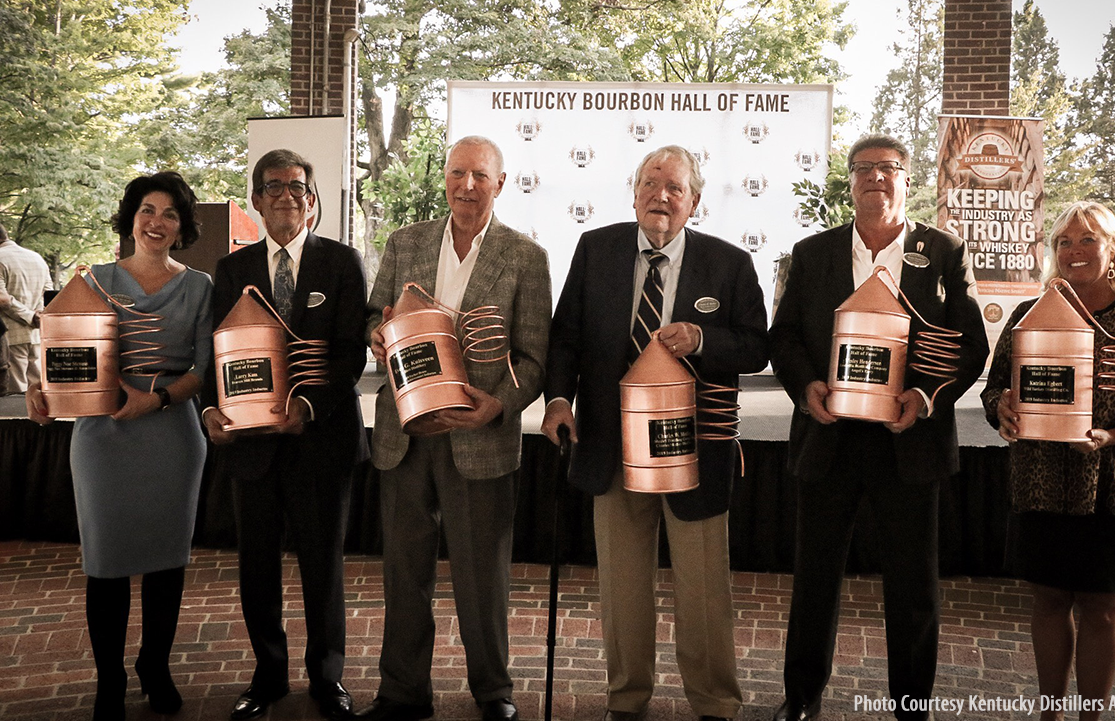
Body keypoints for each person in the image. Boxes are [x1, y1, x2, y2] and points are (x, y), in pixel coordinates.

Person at [541, 145, 769, 721]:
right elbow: (565, 335)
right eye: (650, 183)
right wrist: (559, 400)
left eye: (674, 187)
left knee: (702, 589)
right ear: (633, 190)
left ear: (695, 200)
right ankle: (627, 697)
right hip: (609, 446)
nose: (660, 195)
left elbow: (757, 346)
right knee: (621, 589)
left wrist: (703, 340)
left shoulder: (730, 263)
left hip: (692, 452)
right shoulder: (596, 250)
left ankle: (715, 702)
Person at [769, 134, 989, 721]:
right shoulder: (812, 253)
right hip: (827, 438)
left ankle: (911, 706)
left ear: (906, 181)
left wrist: (924, 395)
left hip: (909, 443)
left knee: (914, 588)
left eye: (888, 169)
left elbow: (972, 344)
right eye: (863, 169)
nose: (876, 178)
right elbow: (783, 336)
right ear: (850, 180)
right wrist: (806, 385)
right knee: (814, 578)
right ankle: (802, 698)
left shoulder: (943, 252)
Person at [356, 136, 551, 721]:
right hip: (405, 435)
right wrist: (377, 331)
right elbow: (374, 314)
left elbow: (536, 357)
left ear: (501, 182)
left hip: (480, 438)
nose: (467, 186)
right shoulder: (404, 242)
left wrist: (499, 405)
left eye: (479, 176)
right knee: (403, 574)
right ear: (445, 179)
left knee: (481, 578)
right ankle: (402, 691)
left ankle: (493, 692)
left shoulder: (525, 258)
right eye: (457, 174)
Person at [982, 201, 1115, 721]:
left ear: (1113, 248)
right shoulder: (1029, 312)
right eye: (1064, 242)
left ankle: (1091, 717)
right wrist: (1002, 409)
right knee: (1049, 601)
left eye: (1088, 240)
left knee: (1103, 607)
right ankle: (1050, 713)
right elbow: (995, 388)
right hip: (1041, 481)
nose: (1074, 251)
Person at [27, 172, 213, 720]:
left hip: (173, 433)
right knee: (104, 564)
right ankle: (109, 680)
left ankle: (155, 667)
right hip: (102, 436)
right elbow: (59, 353)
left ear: (182, 227)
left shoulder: (201, 285)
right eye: (148, 210)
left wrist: (154, 400)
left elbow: (203, 370)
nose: (158, 222)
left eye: (171, 214)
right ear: (131, 217)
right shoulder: (95, 279)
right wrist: (44, 392)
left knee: (166, 565)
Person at [201, 149, 368, 721]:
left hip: (322, 440)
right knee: (257, 567)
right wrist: (209, 410)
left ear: (311, 199)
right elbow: (214, 356)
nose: (286, 196)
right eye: (273, 187)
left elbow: (349, 353)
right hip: (251, 447)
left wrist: (309, 407)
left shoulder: (342, 263)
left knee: (323, 565)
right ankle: (268, 676)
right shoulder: (232, 271)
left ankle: (328, 679)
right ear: (255, 200)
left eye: (297, 187)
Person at [0, 222, 54, 392]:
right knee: (38, 390)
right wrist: (38, 315)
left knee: (15, 394)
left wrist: (30, 316)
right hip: (37, 335)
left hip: (10, 336)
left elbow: (2, 299)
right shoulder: (36, 258)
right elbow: (49, 294)